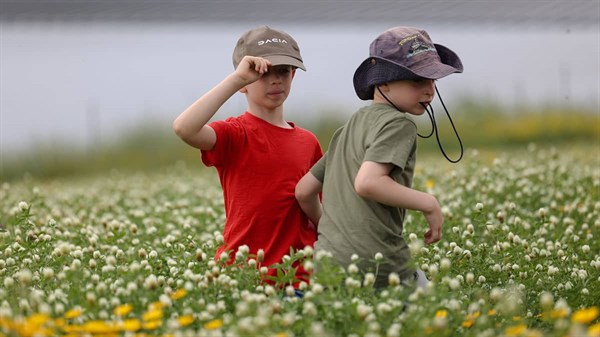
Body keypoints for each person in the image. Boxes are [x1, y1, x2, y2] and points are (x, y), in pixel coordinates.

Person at [295, 26, 463, 289]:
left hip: (326, 264)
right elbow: (368, 182)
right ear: (383, 81)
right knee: (432, 313)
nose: (430, 90)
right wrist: (429, 203)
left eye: (433, 80)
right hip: (377, 264)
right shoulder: (400, 124)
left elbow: (304, 191)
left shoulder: (348, 126)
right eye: (418, 80)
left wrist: (336, 236)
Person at [173, 25, 323, 285]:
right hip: (242, 274)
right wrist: (237, 80)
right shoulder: (235, 134)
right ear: (244, 82)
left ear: (293, 76)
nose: (275, 80)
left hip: (298, 277)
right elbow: (184, 128)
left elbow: (321, 211)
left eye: (283, 72)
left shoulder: (308, 142)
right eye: (263, 73)